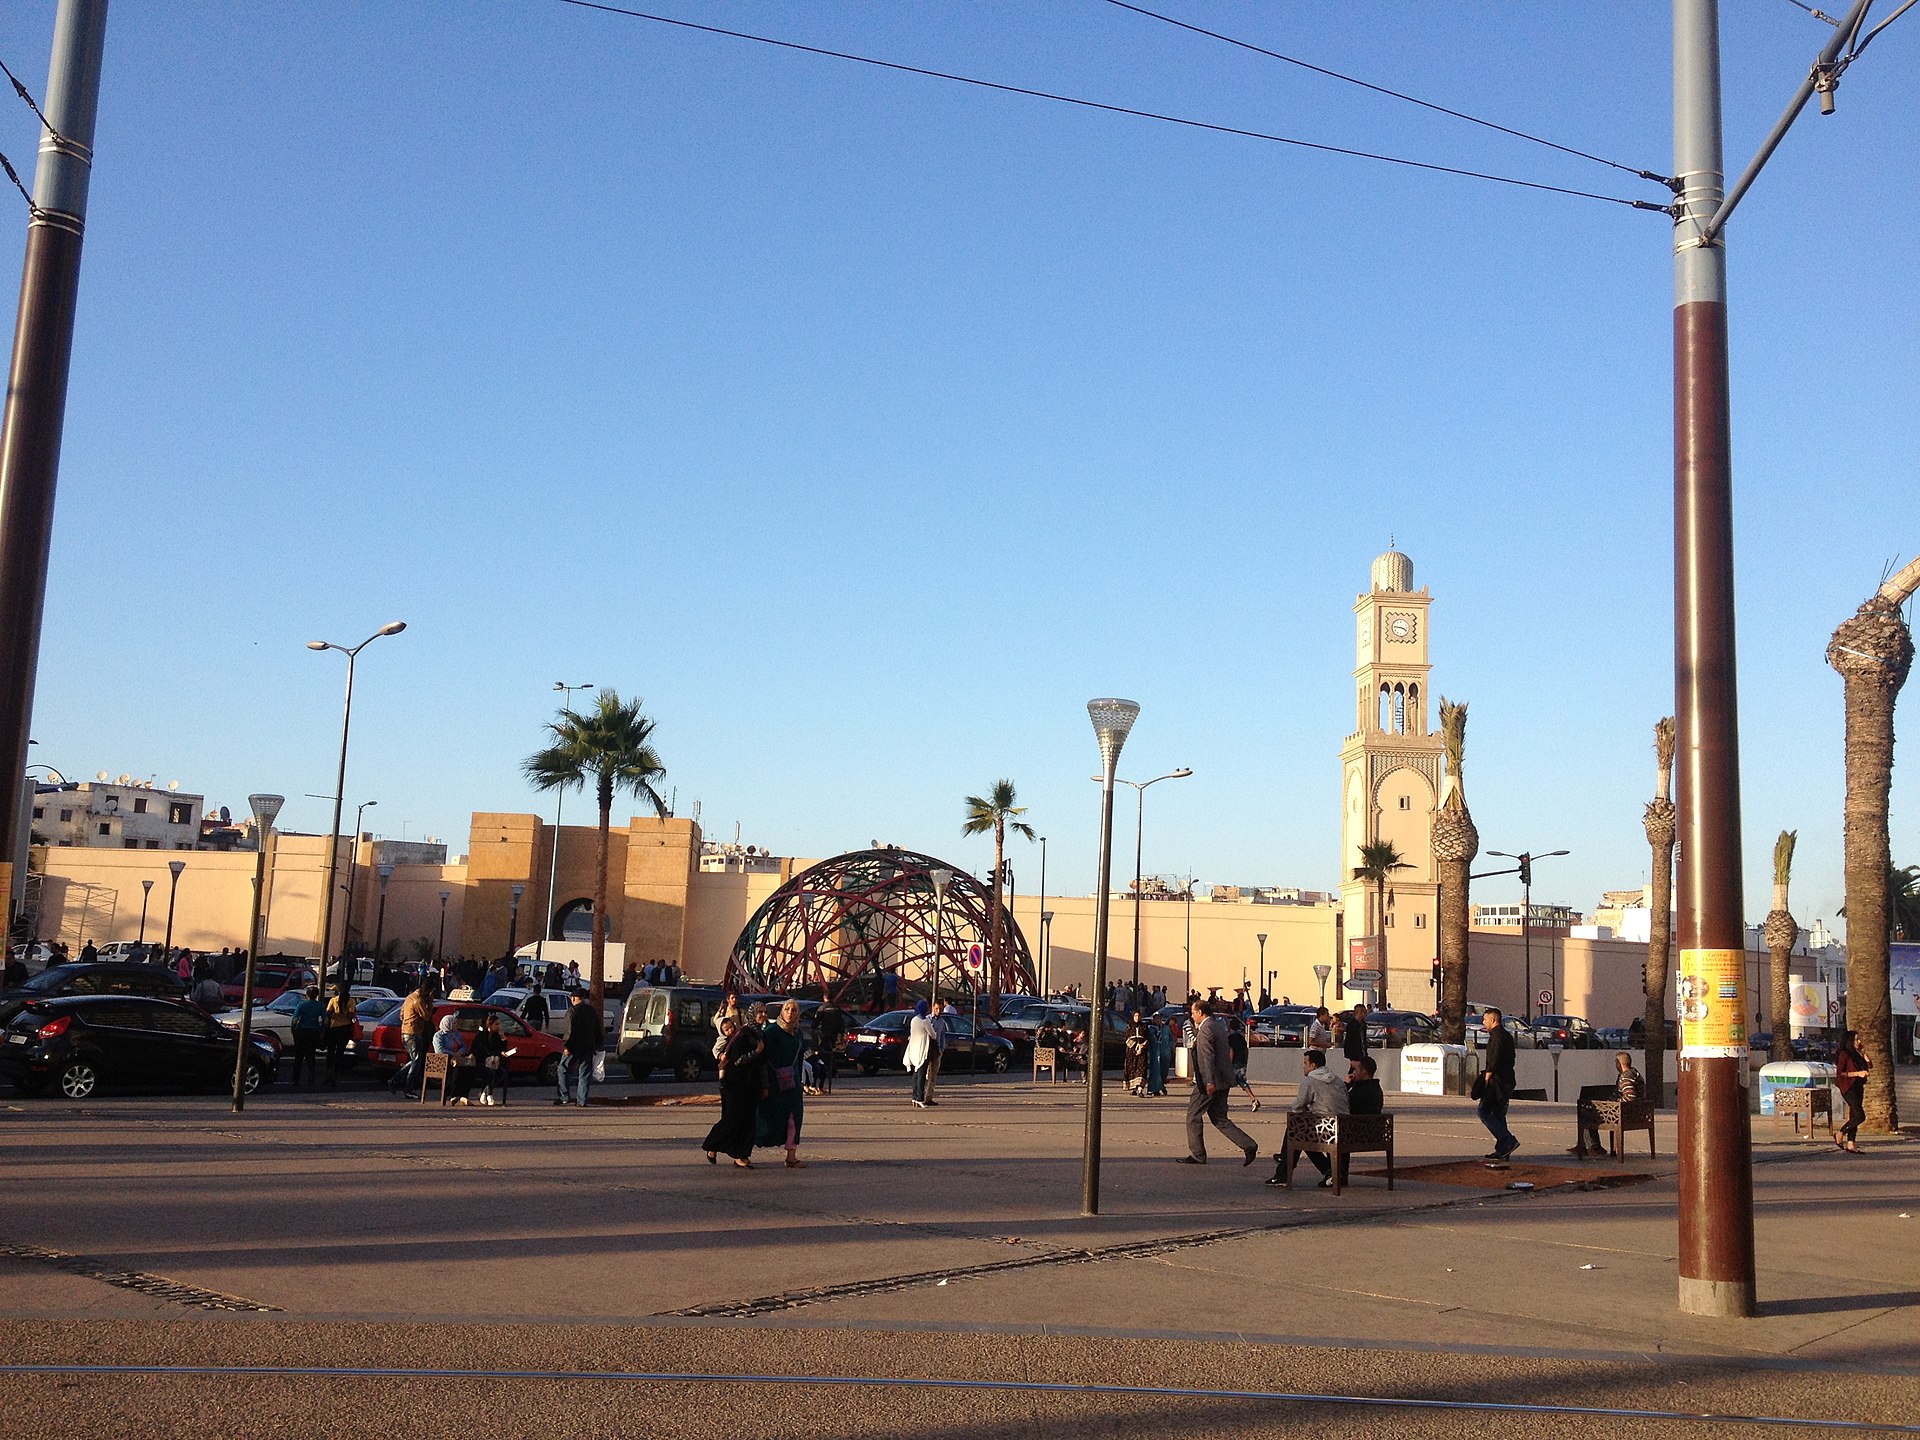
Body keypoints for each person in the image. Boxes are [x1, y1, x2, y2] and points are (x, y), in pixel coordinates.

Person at [1179, 1001, 1258, 1166]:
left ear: (1200, 1012)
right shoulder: (1217, 1025)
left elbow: (1208, 1057)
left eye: (1193, 1012)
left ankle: (1197, 1154)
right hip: (1223, 1079)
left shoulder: (1207, 1029)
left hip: (1210, 1081)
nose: (1192, 1016)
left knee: (1193, 1115)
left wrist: (1208, 1082)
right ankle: (1248, 1144)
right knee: (1220, 1118)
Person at [1268, 1048, 1349, 1188]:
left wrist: (1307, 1110)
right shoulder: (1338, 1080)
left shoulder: (1310, 1081)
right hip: (1344, 1128)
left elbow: (1297, 1107)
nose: (1303, 1066)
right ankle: (1331, 1172)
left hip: (1326, 1129)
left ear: (1313, 1065)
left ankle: (1283, 1170)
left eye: (1305, 1063)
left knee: (1296, 1130)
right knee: (1302, 1135)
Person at [703, 1016, 763, 1167]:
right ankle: (712, 1144)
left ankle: (740, 1155)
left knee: (747, 1121)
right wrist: (756, 1052)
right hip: (732, 1086)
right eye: (726, 1029)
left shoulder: (746, 1034)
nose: (730, 1030)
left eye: (731, 1026)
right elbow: (737, 1061)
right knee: (731, 1120)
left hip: (748, 1085)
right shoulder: (732, 1042)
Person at [756, 998, 809, 1168]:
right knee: (765, 1118)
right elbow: (761, 1058)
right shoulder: (772, 1032)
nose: (790, 1013)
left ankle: (791, 1156)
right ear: (782, 1011)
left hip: (792, 1084)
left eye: (793, 1010)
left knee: (795, 1117)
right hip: (773, 1083)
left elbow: (799, 1059)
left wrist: (801, 1081)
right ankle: (743, 1151)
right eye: (787, 1009)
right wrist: (763, 1084)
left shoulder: (798, 1033)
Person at [1570, 1051, 1643, 1157]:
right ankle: (1584, 1145)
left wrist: (1613, 1104)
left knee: (1586, 1114)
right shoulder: (1634, 1073)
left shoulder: (1626, 1077)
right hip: (1633, 1112)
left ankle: (1593, 1147)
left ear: (1619, 1063)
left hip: (1623, 1113)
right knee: (1590, 1111)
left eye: (1616, 1062)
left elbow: (1630, 1097)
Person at [1477, 1007, 1519, 1160]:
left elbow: (1494, 1059)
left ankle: (1508, 1140)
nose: (1483, 1022)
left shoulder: (1496, 1036)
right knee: (1498, 1114)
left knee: (1484, 1112)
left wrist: (1488, 1076)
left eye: (1485, 1019)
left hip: (1498, 1082)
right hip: (1507, 1080)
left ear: (1493, 1020)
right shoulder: (1506, 1036)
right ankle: (1503, 1150)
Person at [390, 978, 436, 1097]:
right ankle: (407, 1088)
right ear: (429, 991)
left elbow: (401, 1015)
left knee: (415, 1060)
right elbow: (427, 1016)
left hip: (405, 1031)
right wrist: (430, 1003)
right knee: (416, 1061)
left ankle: (396, 1080)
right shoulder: (418, 1000)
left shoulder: (409, 997)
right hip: (414, 1033)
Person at [555, 991, 602, 1106]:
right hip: (588, 1046)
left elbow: (569, 1030)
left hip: (574, 1045)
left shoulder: (572, 1011)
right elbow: (597, 1029)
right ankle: (582, 1100)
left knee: (562, 1069)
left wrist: (567, 1046)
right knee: (584, 1073)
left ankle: (564, 1096)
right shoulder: (591, 1010)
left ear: (574, 998)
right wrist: (597, 1044)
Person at [1834, 1029, 1869, 1153]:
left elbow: (1869, 1065)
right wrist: (1857, 1073)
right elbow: (1840, 1073)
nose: (1858, 1041)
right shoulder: (1844, 1054)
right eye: (1856, 1039)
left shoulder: (1856, 1053)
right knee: (1860, 1115)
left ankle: (1851, 1143)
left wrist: (1863, 1053)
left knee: (1854, 1115)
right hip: (1848, 1087)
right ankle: (1840, 1133)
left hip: (1858, 1086)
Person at [469, 1012, 513, 1105]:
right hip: (481, 1062)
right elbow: (478, 1050)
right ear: (490, 1025)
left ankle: (484, 1092)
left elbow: (501, 1048)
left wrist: (503, 1038)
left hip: (493, 1062)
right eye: (496, 1024)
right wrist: (493, 1054)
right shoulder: (481, 1036)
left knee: (502, 1073)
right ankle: (489, 1095)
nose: (499, 1026)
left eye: (499, 1024)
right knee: (490, 1073)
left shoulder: (497, 1036)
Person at [432, 1013, 476, 1105]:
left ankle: (464, 1095)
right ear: (448, 1024)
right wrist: (454, 1054)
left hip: (458, 1058)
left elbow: (463, 1047)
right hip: (445, 1060)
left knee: (470, 1068)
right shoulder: (439, 1036)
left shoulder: (457, 1034)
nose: (457, 1025)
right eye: (455, 1023)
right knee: (457, 1070)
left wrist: (459, 1053)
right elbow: (440, 1050)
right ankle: (454, 1095)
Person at [289, 985, 327, 1088]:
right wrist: (322, 1029)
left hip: (302, 1031)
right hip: (314, 1031)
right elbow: (325, 1020)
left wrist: (293, 1028)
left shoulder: (301, 1005)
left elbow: (295, 1019)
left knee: (298, 1057)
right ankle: (311, 1079)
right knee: (311, 1056)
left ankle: (295, 1080)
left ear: (307, 995)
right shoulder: (320, 1006)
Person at [903, 1000, 939, 1108]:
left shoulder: (914, 1020)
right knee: (922, 1075)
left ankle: (914, 1097)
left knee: (915, 1073)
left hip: (913, 1049)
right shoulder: (925, 1021)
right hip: (923, 1049)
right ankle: (919, 1098)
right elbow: (933, 1035)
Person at [1228, 1016, 1261, 1111]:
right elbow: (1246, 1050)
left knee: (1228, 1081)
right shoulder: (1241, 1037)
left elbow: (1231, 1050)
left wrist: (1229, 1063)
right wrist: (1246, 1059)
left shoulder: (1230, 1038)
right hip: (1242, 1061)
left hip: (1235, 1063)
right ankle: (1253, 1099)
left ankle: (1253, 1099)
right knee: (1241, 1081)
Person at [813, 998, 845, 1094]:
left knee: (824, 1054)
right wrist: (841, 1033)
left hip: (824, 1035)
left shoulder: (822, 1008)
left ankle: (831, 1071)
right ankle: (832, 1071)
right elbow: (841, 1021)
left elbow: (816, 1021)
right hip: (833, 1035)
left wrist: (814, 1028)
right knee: (830, 1053)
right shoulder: (837, 1008)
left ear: (824, 997)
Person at [1147, 1010, 1173, 1097]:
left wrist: (1170, 1048)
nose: (1157, 1021)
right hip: (1155, 1053)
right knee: (1155, 1071)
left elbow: (1171, 1039)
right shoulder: (1150, 1029)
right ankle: (1154, 1089)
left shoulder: (1165, 1029)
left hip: (1165, 1053)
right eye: (1156, 1019)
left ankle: (1161, 1086)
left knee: (1163, 1071)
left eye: (1159, 1019)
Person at [1124, 1012, 1150, 1096]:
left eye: (1139, 1016)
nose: (1137, 1017)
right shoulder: (1129, 1026)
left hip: (1142, 1052)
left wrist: (1141, 1047)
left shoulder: (1144, 1027)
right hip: (1131, 1052)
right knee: (1132, 1069)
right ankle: (1134, 1087)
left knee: (1141, 1069)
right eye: (1135, 1016)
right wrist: (1135, 1047)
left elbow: (1148, 1038)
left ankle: (1140, 1089)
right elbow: (1127, 1039)